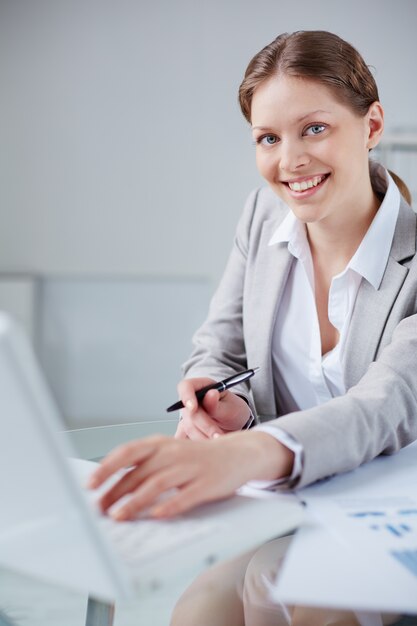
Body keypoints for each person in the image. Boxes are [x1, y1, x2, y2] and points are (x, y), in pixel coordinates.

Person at [89, 30, 417, 625]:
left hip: (390, 506)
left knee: (282, 594)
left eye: (314, 128)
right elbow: (219, 340)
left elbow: (383, 405)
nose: (289, 161)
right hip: (288, 499)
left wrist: (245, 455)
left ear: (371, 127)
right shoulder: (263, 214)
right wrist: (219, 395)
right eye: (268, 138)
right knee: (195, 615)